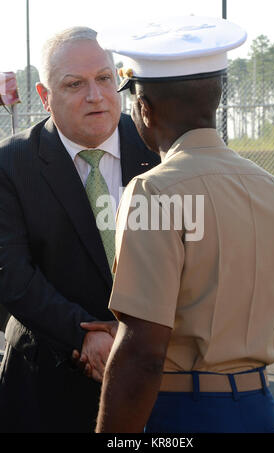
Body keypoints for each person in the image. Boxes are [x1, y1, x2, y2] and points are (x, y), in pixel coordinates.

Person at [93, 17, 274, 433]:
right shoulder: (273, 190)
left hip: (183, 411)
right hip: (261, 409)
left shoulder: (153, 191)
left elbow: (144, 352)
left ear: (144, 108)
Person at [0, 26, 160, 433]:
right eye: (75, 84)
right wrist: (83, 335)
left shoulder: (159, 152)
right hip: (44, 382)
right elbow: (11, 273)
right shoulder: (12, 163)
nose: (95, 95)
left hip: (156, 379)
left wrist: (130, 338)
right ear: (44, 96)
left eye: (105, 78)